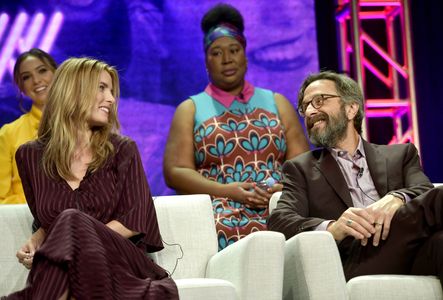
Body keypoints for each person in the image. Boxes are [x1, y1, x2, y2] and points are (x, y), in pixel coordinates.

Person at [2, 58, 178, 299]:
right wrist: (38, 240)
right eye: (102, 88)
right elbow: (46, 219)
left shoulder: (123, 150)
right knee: (68, 257)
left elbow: (134, 221)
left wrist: (76, 241)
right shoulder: (29, 156)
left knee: (72, 221)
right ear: (73, 90)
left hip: (121, 262)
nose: (111, 99)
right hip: (68, 268)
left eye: (112, 91)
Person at [268, 71, 443, 284]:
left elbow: (424, 189)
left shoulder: (400, 154)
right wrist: (333, 228)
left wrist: (396, 198)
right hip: (357, 259)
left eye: (319, 101)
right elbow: (280, 220)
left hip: (413, 251)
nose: (311, 111)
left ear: (351, 108)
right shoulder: (301, 168)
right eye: (305, 107)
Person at [163, 3, 309, 250]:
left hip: (277, 205)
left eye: (234, 50)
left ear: (245, 53)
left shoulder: (276, 103)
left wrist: (279, 190)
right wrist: (227, 191)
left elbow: (303, 165)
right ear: (206, 61)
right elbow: (175, 171)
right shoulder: (191, 109)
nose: (227, 59)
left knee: (305, 237)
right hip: (220, 213)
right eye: (216, 53)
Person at [0, 48, 57, 204]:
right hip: (24, 222)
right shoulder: (8, 133)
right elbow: (1, 198)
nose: (36, 80)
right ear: (21, 87)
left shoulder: (83, 126)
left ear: (57, 74)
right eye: (26, 77)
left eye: (42, 71)